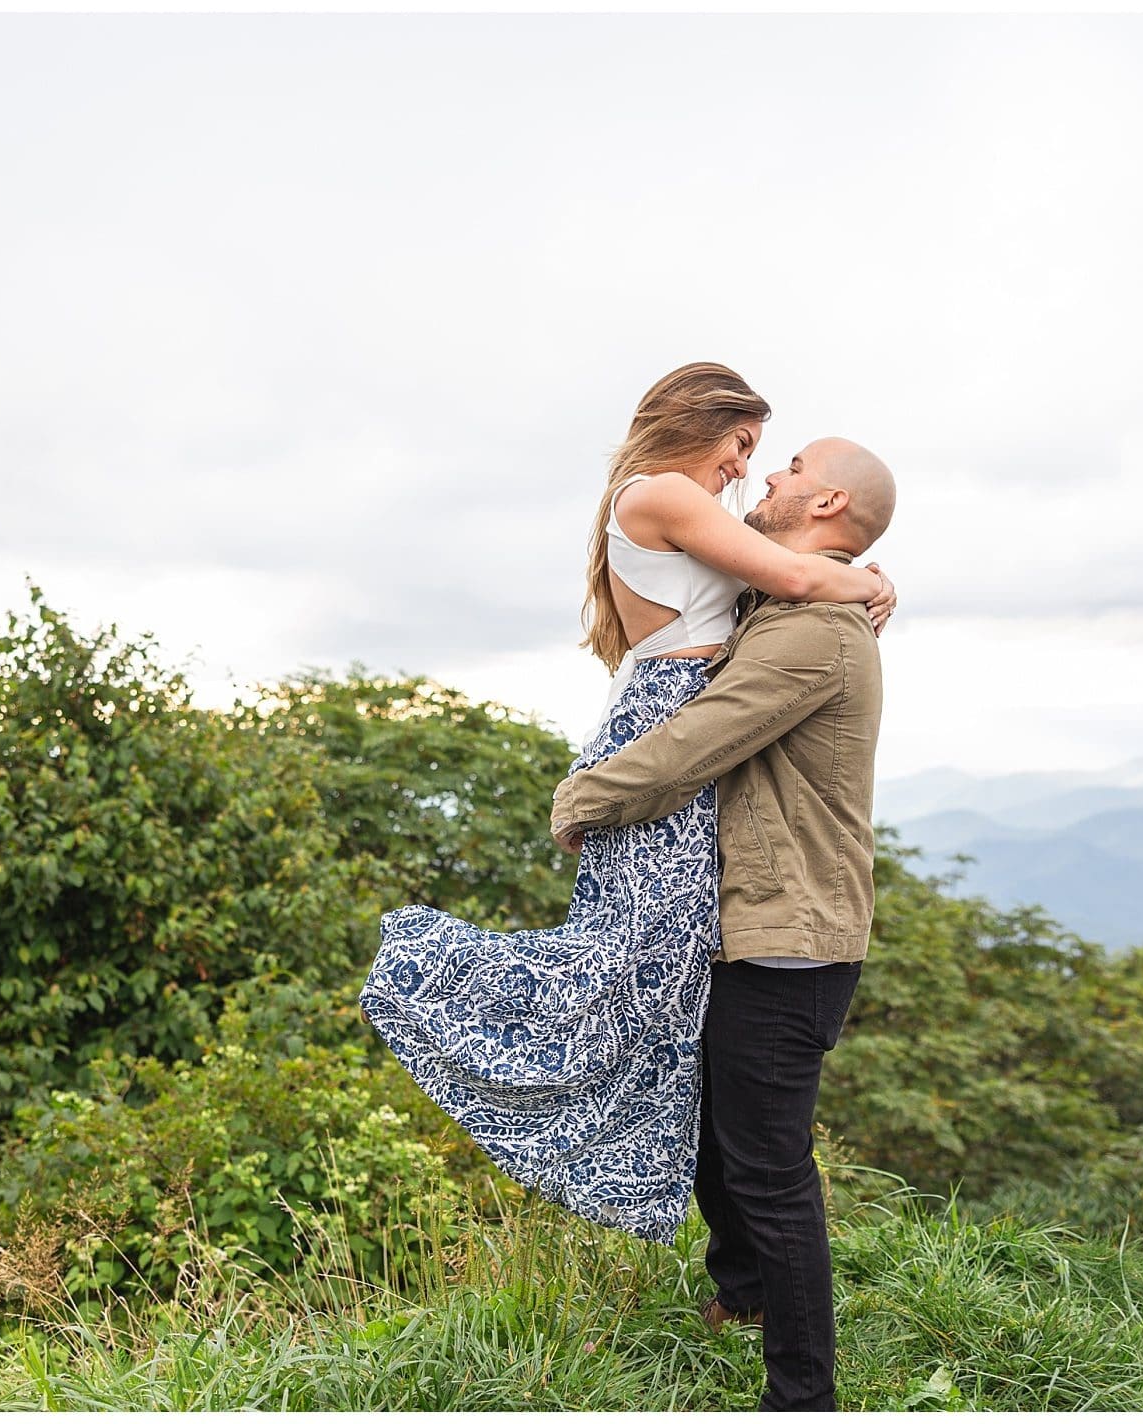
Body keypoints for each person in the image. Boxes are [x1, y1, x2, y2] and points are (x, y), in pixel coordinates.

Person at [359, 363, 894, 1244]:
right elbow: (797, 582)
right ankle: (435, 981)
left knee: (664, 987)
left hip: (685, 731)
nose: (745, 469)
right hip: (667, 737)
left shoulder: (697, 517)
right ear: (702, 423)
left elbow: (785, 577)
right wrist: (869, 583)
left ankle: (726, 1258)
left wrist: (867, 573)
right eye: (743, 444)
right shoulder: (663, 494)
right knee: (622, 969)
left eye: (765, 456)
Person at [549, 437, 897, 1411]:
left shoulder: (811, 633)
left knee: (771, 1167)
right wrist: (872, 576)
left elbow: (703, 737)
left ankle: (801, 1394)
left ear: (826, 499)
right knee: (717, 1130)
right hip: (760, 924)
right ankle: (743, 1295)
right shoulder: (795, 604)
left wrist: (585, 797)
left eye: (786, 467)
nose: (766, 478)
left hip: (793, 937)